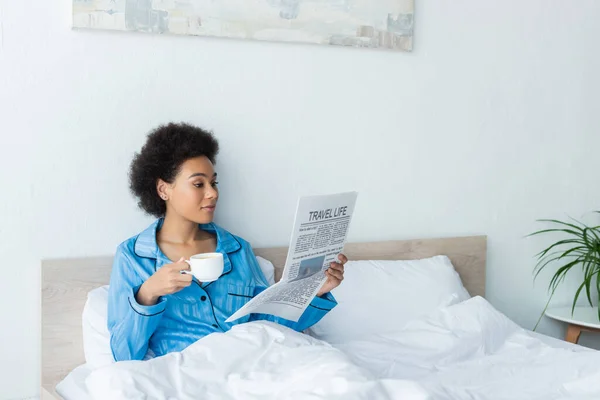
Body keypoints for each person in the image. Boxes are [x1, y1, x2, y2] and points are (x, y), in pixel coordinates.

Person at [107, 122, 347, 361]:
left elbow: (270, 326)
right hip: (185, 377)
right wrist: (148, 294)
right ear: (163, 189)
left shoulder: (237, 250)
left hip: (250, 366)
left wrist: (315, 292)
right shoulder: (133, 257)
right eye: (199, 184)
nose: (212, 193)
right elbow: (123, 356)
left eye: (214, 182)